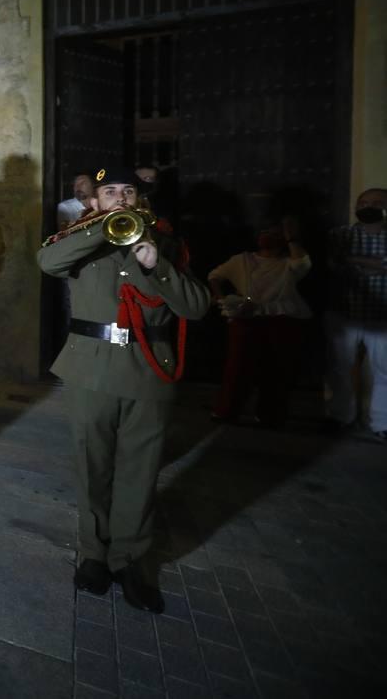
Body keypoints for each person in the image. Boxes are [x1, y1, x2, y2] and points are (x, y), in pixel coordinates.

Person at [38, 166, 208, 613]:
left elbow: (196, 306)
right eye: (108, 192)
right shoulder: (78, 240)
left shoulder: (166, 243)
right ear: (92, 201)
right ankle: (94, 554)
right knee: (92, 465)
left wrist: (158, 265)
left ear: (141, 200)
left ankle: (131, 560)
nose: (119, 199)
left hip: (148, 369)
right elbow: (48, 263)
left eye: (127, 191)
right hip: (91, 368)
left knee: (140, 469)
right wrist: (101, 231)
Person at [207, 218, 312, 427]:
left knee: (278, 369)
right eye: (264, 232)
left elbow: (303, 263)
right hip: (246, 319)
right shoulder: (242, 260)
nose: (268, 237)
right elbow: (215, 276)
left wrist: (292, 237)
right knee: (237, 368)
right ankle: (226, 410)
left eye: (274, 233)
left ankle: (271, 414)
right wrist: (222, 300)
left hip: (282, 319)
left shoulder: (288, 263)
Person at [324, 188, 387, 438]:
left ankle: (382, 423)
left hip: (383, 315)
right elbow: (332, 265)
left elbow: (344, 263)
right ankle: (340, 417)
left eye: (376, 202)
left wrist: (353, 261)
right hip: (344, 312)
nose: (368, 206)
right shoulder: (340, 234)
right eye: (363, 202)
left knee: (385, 371)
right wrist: (379, 264)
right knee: (339, 369)